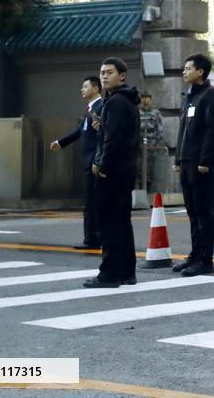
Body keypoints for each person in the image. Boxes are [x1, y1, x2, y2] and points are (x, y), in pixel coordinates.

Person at [84, 57, 141, 289]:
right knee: (122, 222)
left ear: (122, 75)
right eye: (102, 73)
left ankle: (109, 274)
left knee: (108, 224)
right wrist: (102, 127)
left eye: (109, 72)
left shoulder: (116, 102)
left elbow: (113, 139)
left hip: (112, 171)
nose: (104, 76)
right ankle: (127, 272)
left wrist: (102, 164)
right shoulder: (126, 100)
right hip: (125, 169)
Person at [172, 53, 214, 277]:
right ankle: (195, 255)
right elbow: (183, 130)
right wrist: (178, 158)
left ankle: (205, 259)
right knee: (193, 212)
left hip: (202, 164)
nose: (184, 72)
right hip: (187, 161)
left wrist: (205, 160)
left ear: (201, 72)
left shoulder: (211, 95)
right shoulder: (190, 96)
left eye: (188, 68)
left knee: (204, 212)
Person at [49, 76, 103, 249]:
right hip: (90, 161)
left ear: (96, 89)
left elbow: (103, 136)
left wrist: (98, 160)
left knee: (91, 202)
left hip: (95, 161)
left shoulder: (101, 107)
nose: (82, 89)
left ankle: (92, 239)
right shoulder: (90, 109)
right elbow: (80, 131)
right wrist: (61, 142)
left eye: (85, 86)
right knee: (92, 201)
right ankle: (94, 237)